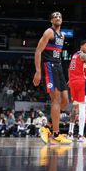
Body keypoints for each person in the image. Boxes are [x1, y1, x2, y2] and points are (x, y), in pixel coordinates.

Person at [32, 12, 72, 145]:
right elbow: (38, 51)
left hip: (59, 67)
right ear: (51, 20)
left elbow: (59, 55)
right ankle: (56, 134)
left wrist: (65, 75)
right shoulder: (49, 32)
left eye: (60, 16)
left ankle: (47, 127)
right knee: (56, 99)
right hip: (49, 66)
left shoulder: (63, 35)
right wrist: (38, 72)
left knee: (65, 101)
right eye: (55, 16)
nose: (58, 18)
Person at [67, 40, 86, 142]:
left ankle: (70, 133)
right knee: (82, 108)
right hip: (81, 82)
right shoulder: (82, 55)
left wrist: (70, 79)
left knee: (75, 107)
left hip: (73, 81)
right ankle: (80, 135)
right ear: (81, 46)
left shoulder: (74, 55)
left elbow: (71, 69)